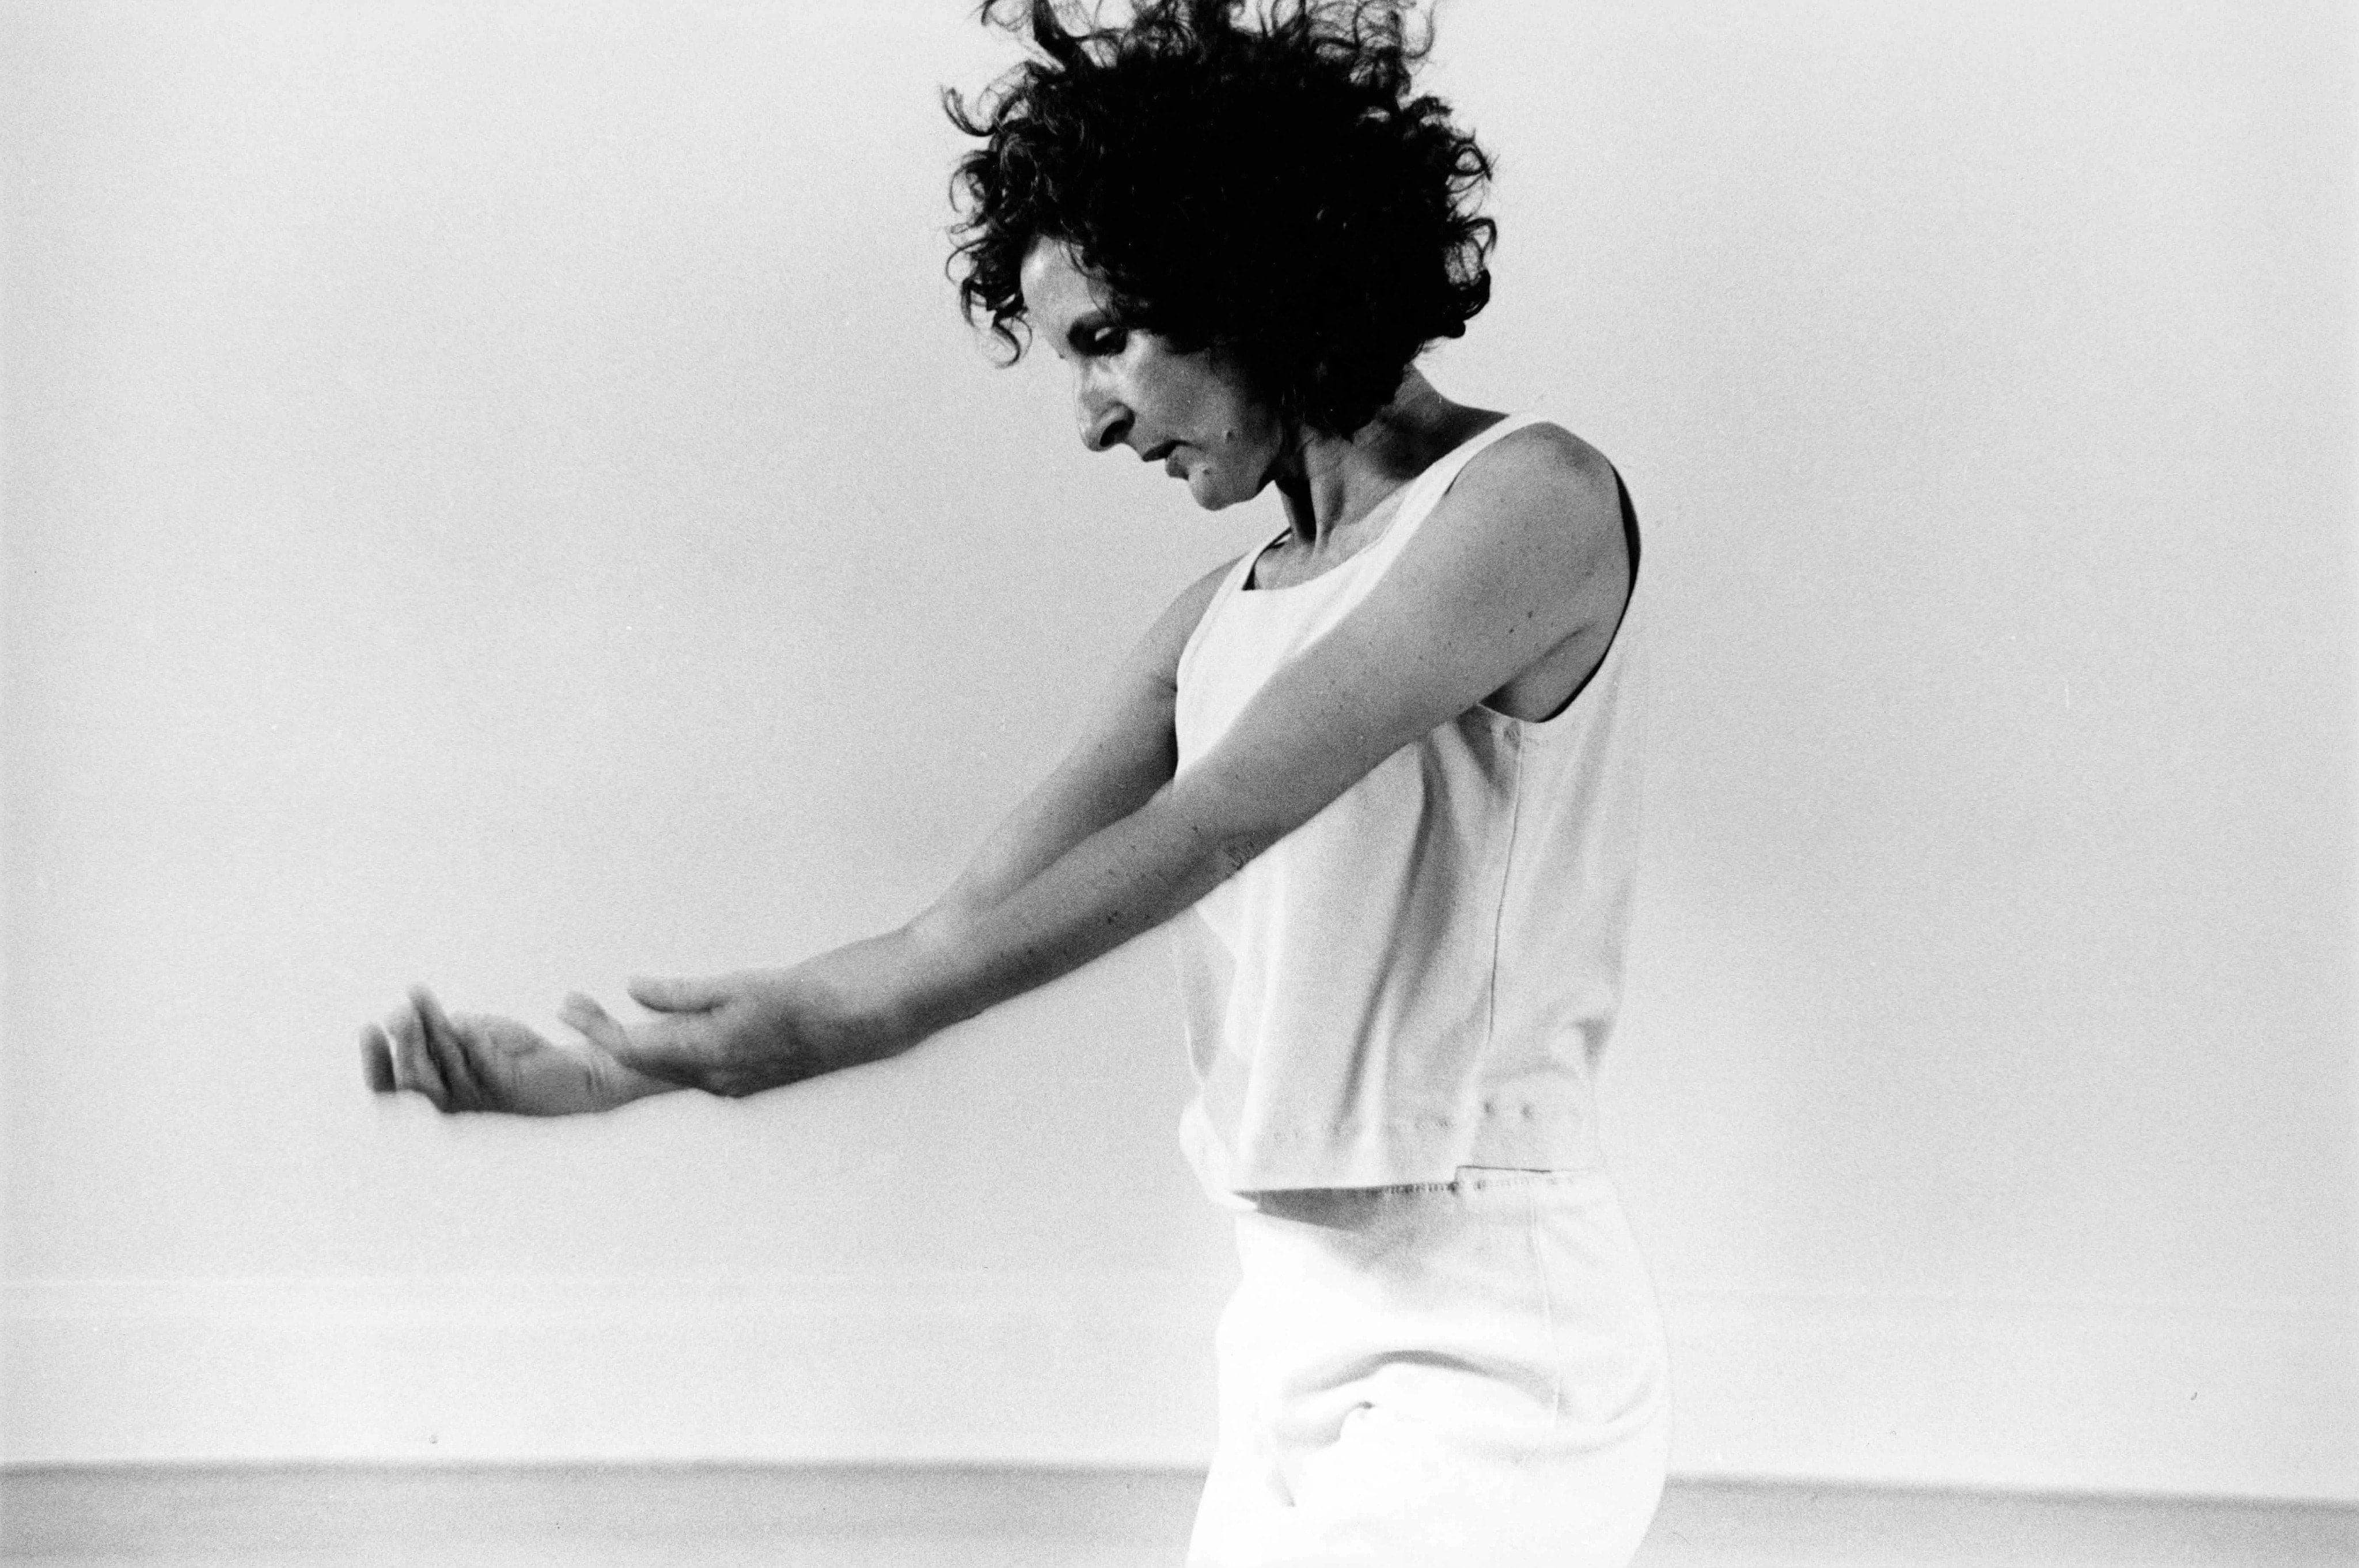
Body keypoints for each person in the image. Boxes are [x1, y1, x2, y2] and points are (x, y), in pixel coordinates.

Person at [363, 2, 1670, 1562]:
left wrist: (856, 1021)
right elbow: (949, 930)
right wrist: (640, 1065)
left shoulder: (1532, 501)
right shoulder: (1222, 618)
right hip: (1283, 1332)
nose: (1090, 414)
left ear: (1245, 271)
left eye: (1106, 338)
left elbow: (1219, 821)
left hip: (1492, 1333)